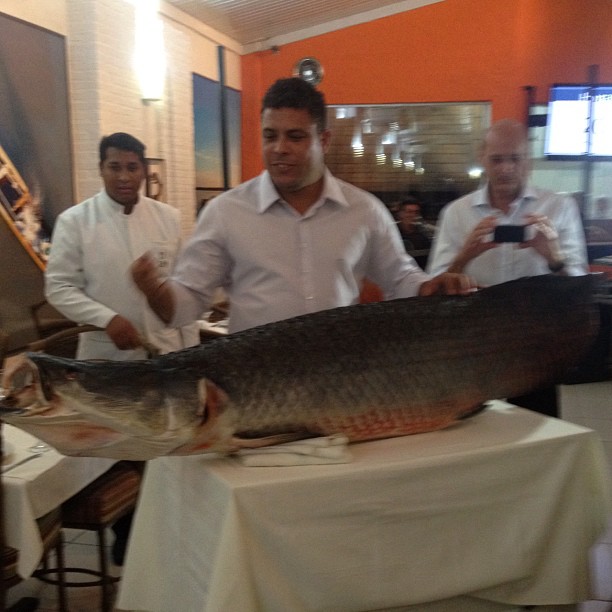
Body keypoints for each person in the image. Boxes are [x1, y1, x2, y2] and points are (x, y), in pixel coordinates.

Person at [132, 78, 475, 336]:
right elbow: (185, 306)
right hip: (256, 384)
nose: (280, 148)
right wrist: (154, 289)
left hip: (340, 381)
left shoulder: (364, 211)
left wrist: (429, 286)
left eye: (295, 137)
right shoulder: (226, 213)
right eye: (270, 136)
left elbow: (400, 278)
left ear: (323, 140)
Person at [45, 131, 200, 564]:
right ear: (101, 169)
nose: (125, 176)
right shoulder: (76, 221)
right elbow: (58, 287)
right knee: (119, 448)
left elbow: (183, 289)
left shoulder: (167, 218)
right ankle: (127, 531)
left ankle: (168, 529)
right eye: (115, 167)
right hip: (107, 359)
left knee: (167, 446)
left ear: (145, 170)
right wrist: (105, 318)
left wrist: (190, 351)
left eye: (133, 167)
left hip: (165, 356)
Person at [427, 118, 589, 416]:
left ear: (528, 160)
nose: (506, 168)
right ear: (482, 158)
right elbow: (433, 288)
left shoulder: (559, 207)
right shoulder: (456, 213)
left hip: (537, 348)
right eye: (497, 159)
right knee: (474, 432)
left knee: (539, 432)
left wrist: (553, 257)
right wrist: (464, 257)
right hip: (473, 348)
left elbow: (579, 288)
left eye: (515, 158)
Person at [396, 196, 433, 267]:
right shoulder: (392, 234)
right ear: (400, 214)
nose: (413, 215)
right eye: (409, 212)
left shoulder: (423, 237)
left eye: (416, 212)